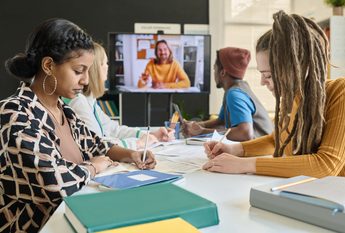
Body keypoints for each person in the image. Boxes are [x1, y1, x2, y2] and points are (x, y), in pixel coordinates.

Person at [0, 19, 156, 232]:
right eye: (78, 71)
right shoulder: (13, 112)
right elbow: (53, 182)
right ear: (48, 66)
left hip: (75, 218)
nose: (85, 80)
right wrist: (93, 167)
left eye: (88, 71)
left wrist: (132, 154)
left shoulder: (66, 112)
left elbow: (97, 146)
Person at [202, 10, 345, 178]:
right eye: (262, 74)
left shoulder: (341, 90)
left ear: (299, 66)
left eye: (269, 75)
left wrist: (244, 164)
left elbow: (326, 165)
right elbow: (276, 140)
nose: (262, 82)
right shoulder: (291, 100)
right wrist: (234, 149)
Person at [69, 42, 175, 149]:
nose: (107, 67)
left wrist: (151, 134)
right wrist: (138, 144)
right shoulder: (79, 102)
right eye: (104, 63)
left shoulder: (91, 102)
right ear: (95, 68)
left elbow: (116, 130)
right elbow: (95, 145)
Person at [182, 47, 273, 141]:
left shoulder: (234, 94)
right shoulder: (237, 89)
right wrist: (194, 126)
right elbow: (221, 123)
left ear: (222, 72)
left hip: (263, 152)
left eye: (214, 69)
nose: (213, 74)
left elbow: (245, 133)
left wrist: (201, 132)